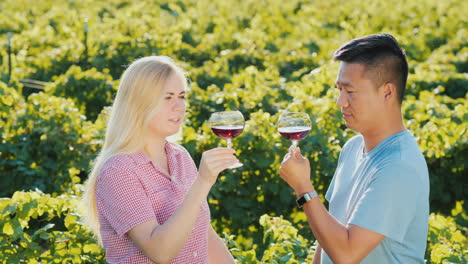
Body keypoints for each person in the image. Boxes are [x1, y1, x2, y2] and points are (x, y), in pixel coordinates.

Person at [279, 33, 429, 264]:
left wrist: (303, 188)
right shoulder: (353, 147)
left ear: (387, 92)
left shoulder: (399, 166)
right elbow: (328, 238)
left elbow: (346, 254)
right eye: (339, 90)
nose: (340, 101)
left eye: (350, 92)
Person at [82, 56, 237, 263]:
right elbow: (160, 252)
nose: (179, 106)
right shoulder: (118, 171)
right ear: (140, 103)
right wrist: (203, 181)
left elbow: (206, 236)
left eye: (182, 96)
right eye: (168, 97)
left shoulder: (180, 156)